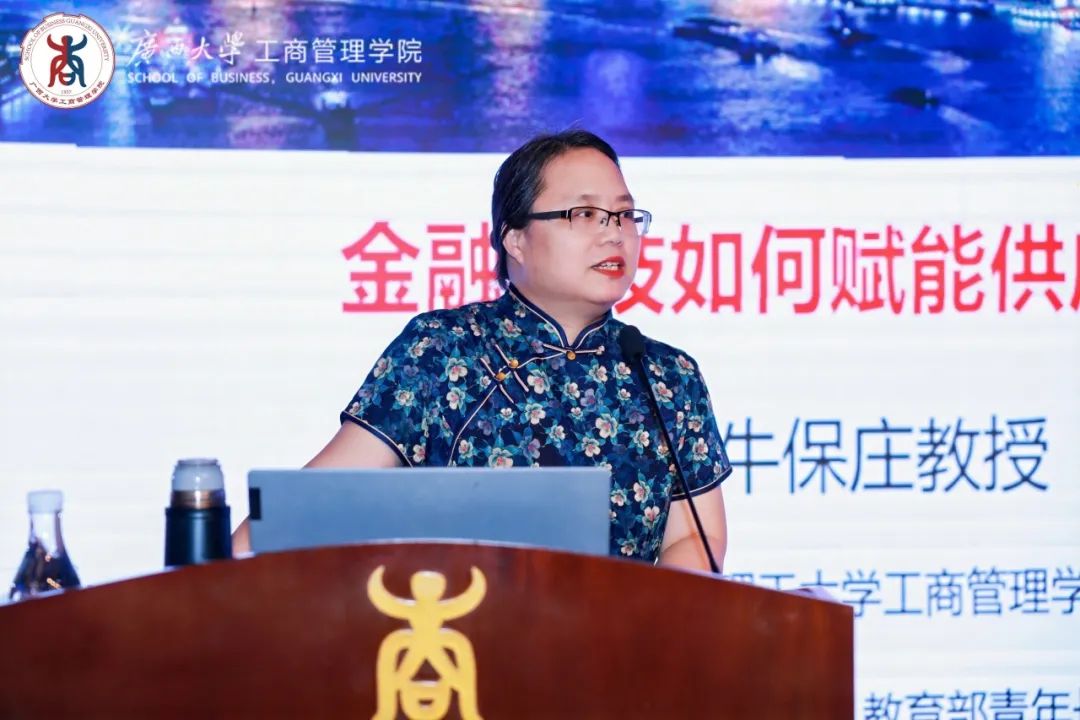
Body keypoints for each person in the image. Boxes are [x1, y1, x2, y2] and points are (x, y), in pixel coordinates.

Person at [233, 129, 732, 572]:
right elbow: (319, 498)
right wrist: (220, 580)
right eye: (585, 214)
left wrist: (645, 624)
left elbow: (694, 536)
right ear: (515, 239)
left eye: (624, 214)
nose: (614, 232)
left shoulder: (666, 374)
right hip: (460, 635)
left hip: (620, 641)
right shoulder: (443, 348)